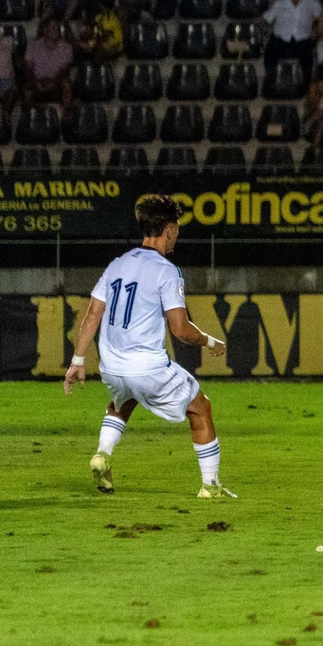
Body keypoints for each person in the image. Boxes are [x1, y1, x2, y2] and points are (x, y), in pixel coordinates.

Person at [65, 194, 235, 499]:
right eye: (178, 229)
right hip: (147, 367)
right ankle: (211, 485)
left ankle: (102, 454)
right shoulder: (167, 271)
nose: (177, 236)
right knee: (200, 408)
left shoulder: (117, 265)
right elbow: (181, 330)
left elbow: (92, 315)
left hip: (112, 367)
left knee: (122, 401)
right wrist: (211, 341)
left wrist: (78, 361)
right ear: (169, 229)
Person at [263, 0, 322, 80]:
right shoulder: (279, 3)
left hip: (302, 40)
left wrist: (316, 30)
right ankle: (272, 80)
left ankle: (304, 85)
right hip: (280, 40)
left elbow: (321, 19)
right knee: (270, 51)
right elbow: (266, 19)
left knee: (307, 56)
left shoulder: (312, 3)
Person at [23, 18, 74, 109]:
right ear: (45, 30)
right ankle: (30, 117)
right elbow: (28, 70)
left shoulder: (67, 48)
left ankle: (66, 119)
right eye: (53, 27)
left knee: (66, 84)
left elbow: (65, 71)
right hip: (37, 82)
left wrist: (53, 82)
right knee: (27, 87)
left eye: (58, 27)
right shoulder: (33, 47)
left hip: (56, 82)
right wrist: (36, 82)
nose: (56, 30)